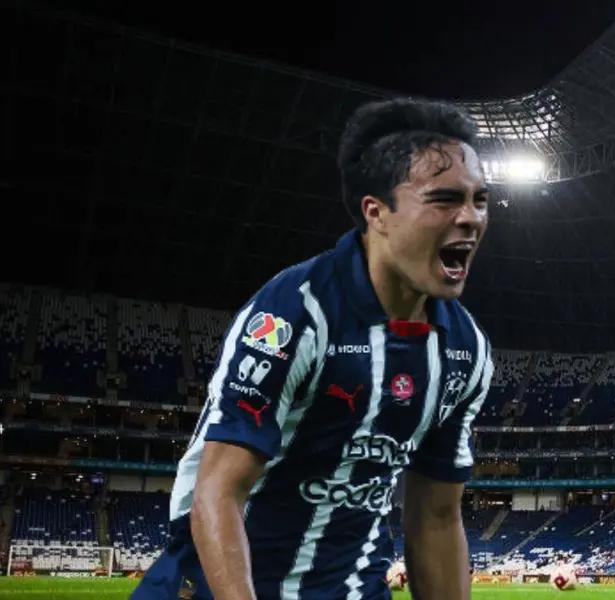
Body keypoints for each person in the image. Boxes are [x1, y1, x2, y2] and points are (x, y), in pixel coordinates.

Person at [132, 98, 493, 600]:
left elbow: (435, 517)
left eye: (480, 199)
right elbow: (220, 491)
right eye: (444, 199)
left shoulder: (466, 349)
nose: (471, 218)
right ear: (377, 212)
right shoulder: (295, 312)